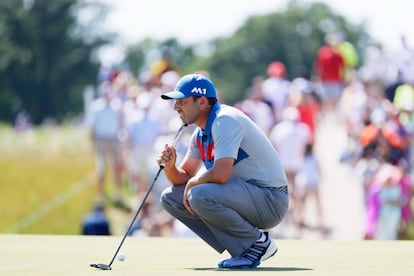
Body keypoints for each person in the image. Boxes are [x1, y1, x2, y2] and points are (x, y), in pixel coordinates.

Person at [157, 73, 289, 269]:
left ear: (202, 102)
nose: (176, 107)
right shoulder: (200, 133)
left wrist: (193, 182)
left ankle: (256, 244)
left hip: (271, 200)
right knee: (170, 198)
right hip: (246, 197)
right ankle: (243, 247)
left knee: (199, 193)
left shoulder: (225, 120)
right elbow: (183, 178)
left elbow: (221, 174)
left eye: (182, 102)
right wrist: (170, 168)